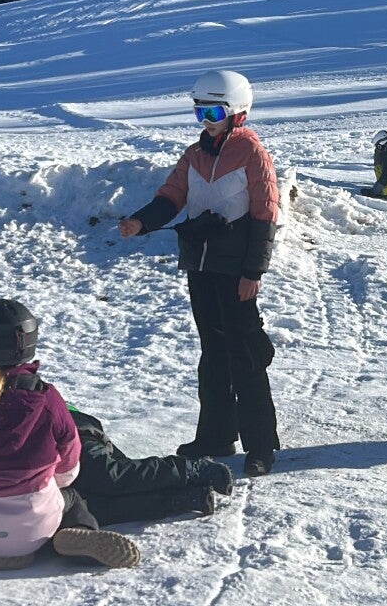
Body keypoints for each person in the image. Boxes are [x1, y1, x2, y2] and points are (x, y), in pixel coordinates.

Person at [119, 69, 282, 477]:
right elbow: (172, 195)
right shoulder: (194, 155)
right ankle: (215, 435)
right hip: (201, 266)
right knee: (212, 353)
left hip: (235, 271)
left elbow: (265, 215)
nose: (206, 121)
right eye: (199, 112)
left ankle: (261, 445)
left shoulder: (252, 154)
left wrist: (253, 271)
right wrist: (141, 221)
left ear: (237, 112)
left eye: (213, 112)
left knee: (245, 354)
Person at [0, 299, 141, 571]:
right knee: (72, 498)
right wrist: (50, 483)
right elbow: (69, 464)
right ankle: (78, 530)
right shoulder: (45, 399)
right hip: (31, 531)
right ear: (27, 343)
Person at [68, 404, 235, 525]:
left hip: (71, 432)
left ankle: (193, 469)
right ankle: (182, 498)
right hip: (59, 465)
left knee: (110, 475)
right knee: (82, 509)